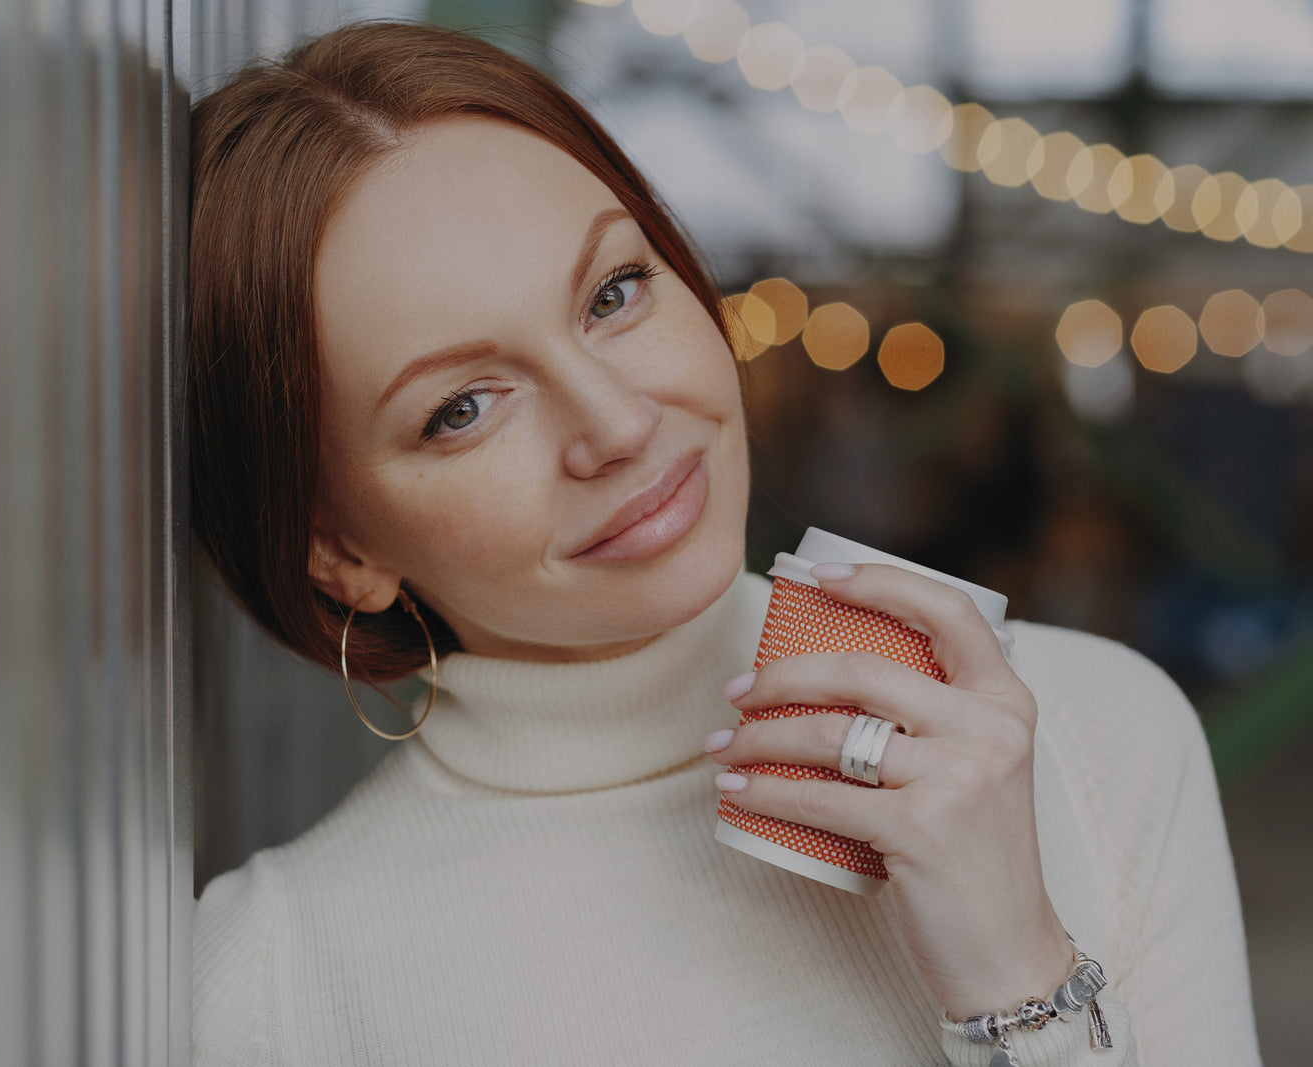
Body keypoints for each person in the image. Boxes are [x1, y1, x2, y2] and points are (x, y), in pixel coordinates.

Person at [186, 20, 1259, 1066]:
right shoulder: (271, 989)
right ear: (339, 552)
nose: (618, 423)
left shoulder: (1094, 735)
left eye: (613, 293)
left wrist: (1022, 985)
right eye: (461, 408)